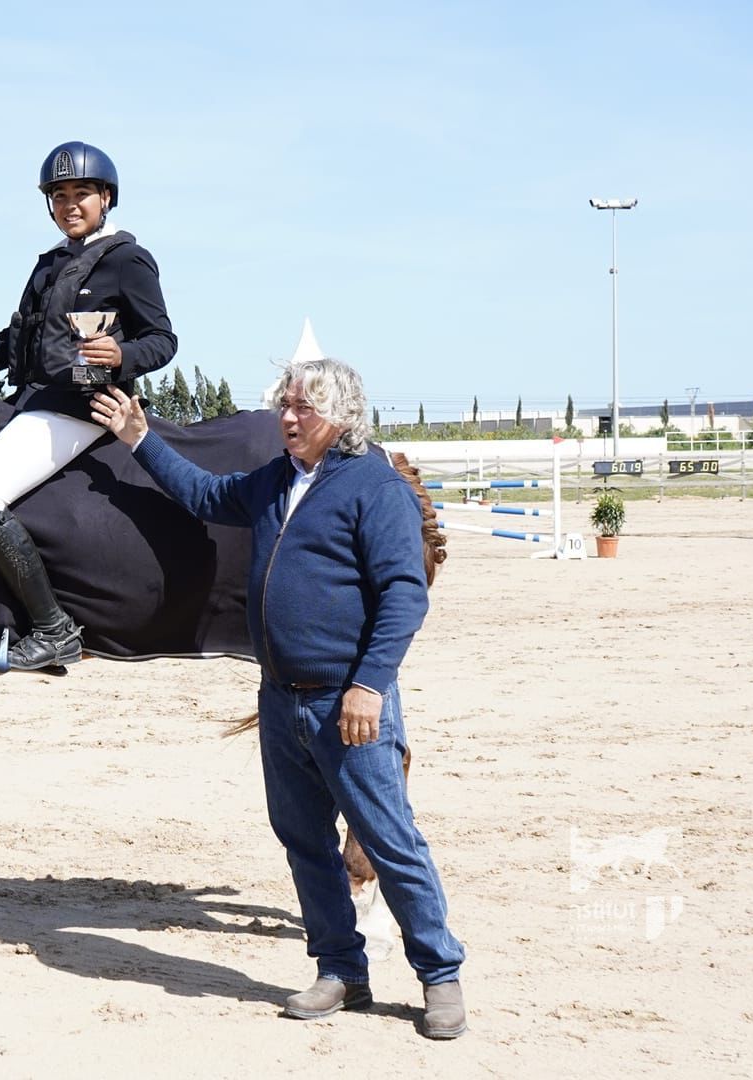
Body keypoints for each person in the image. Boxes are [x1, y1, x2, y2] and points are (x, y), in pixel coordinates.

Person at [89, 359, 467, 1038]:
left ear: (342, 418)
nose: (287, 419)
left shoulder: (374, 489)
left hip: (347, 705)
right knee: (304, 843)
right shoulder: (274, 481)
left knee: (390, 842)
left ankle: (439, 976)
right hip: (280, 700)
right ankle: (340, 971)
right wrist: (142, 439)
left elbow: (404, 596)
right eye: (285, 405)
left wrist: (368, 685)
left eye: (304, 408)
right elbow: (205, 496)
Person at [0, 140, 177, 670]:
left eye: (82, 194)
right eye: (59, 195)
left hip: (83, 407)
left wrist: (121, 353)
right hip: (34, 400)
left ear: (106, 198)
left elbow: (162, 340)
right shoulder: (50, 265)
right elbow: (19, 340)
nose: (69, 205)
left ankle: (55, 629)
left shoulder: (127, 260)